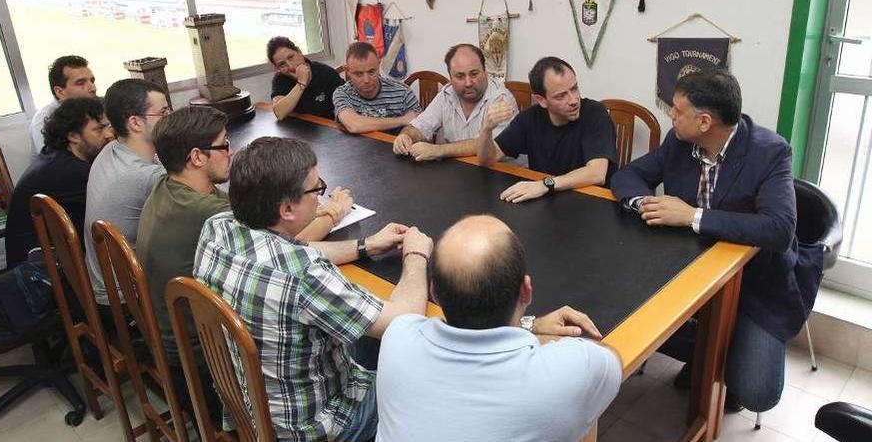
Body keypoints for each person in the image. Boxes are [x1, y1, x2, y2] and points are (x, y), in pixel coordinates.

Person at [194, 136, 433, 441]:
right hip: (312, 427)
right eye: (316, 189)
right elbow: (405, 319)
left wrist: (366, 245)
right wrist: (416, 255)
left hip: (251, 405)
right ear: (287, 209)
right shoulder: (304, 275)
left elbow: (292, 248)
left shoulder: (217, 227)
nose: (320, 197)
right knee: (420, 378)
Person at [610, 69, 803, 413]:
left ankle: (718, 358)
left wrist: (691, 216)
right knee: (626, 319)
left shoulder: (770, 152)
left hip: (753, 285)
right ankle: (704, 356)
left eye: (678, 110)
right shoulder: (678, 141)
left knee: (757, 392)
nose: (671, 115)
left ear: (704, 122)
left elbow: (779, 229)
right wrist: (644, 203)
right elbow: (629, 175)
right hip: (685, 272)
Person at [138, 105, 355, 366]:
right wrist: (333, 212)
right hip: (204, 351)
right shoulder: (211, 214)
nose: (231, 152)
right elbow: (286, 242)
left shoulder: (168, 184)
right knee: (335, 333)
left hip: (173, 330)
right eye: (224, 145)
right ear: (197, 157)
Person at [376, 215, 621, 441]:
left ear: (434, 294)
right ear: (526, 291)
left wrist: (416, 258)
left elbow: (408, 313)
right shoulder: (571, 370)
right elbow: (610, 357)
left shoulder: (397, 338)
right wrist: (539, 332)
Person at [4, 97, 112, 320]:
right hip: (38, 277)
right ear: (72, 136)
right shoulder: (72, 173)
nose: (108, 135)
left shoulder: (55, 157)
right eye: (99, 129)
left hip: (40, 264)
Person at [477, 57, 617, 203]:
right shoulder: (530, 118)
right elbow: (487, 159)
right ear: (542, 100)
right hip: (548, 202)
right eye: (561, 96)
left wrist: (545, 184)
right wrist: (486, 129)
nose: (574, 100)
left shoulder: (595, 113)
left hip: (593, 202)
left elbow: (596, 174)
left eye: (574, 88)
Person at [84, 79, 167, 309]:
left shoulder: (111, 150)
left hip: (104, 285)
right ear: (135, 123)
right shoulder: (145, 176)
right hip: (127, 301)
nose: (171, 117)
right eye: (164, 112)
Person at [392, 43, 518, 161]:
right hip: (455, 170)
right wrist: (406, 136)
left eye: (474, 74)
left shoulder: (502, 99)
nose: (468, 83)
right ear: (451, 78)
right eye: (460, 76)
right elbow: (421, 125)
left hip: (497, 173)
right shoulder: (447, 94)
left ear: (485, 72)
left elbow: (489, 146)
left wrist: (438, 150)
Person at [333, 42, 421, 134]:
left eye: (371, 72)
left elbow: (420, 129)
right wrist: (403, 120)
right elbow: (354, 125)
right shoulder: (342, 93)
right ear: (347, 71)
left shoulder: (403, 93)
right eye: (358, 74)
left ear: (379, 65)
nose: (366, 80)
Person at [30, 55, 98, 154]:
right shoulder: (43, 121)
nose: (93, 88)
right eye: (81, 83)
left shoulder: (91, 108)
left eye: (92, 81)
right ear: (60, 92)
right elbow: (54, 162)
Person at [268, 36, 345, 120]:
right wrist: (301, 83)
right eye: (282, 64)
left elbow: (348, 103)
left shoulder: (325, 72)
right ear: (277, 68)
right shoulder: (280, 79)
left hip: (325, 127)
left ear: (299, 51)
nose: (290, 66)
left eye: (291, 57)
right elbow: (279, 113)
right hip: (297, 129)